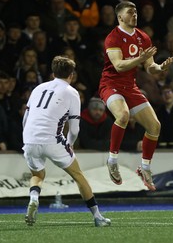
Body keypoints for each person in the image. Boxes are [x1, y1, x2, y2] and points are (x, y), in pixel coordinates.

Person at [22, 56, 110, 227]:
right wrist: (69, 144)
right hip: (52, 140)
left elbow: (26, 118)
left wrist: (27, 138)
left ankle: (34, 198)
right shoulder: (71, 92)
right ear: (72, 75)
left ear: (53, 72)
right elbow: (74, 128)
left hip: (30, 138)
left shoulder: (38, 88)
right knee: (78, 175)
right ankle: (98, 217)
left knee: (37, 175)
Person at [99, 1, 173, 191]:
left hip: (130, 86)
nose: (134, 15)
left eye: (135, 12)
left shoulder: (143, 37)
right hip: (110, 85)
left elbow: (150, 67)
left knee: (154, 126)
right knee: (123, 115)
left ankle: (145, 168)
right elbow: (118, 65)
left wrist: (160, 68)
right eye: (130, 12)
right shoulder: (113, 37)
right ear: (120, 17)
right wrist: (140, 59)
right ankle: (112, 160)